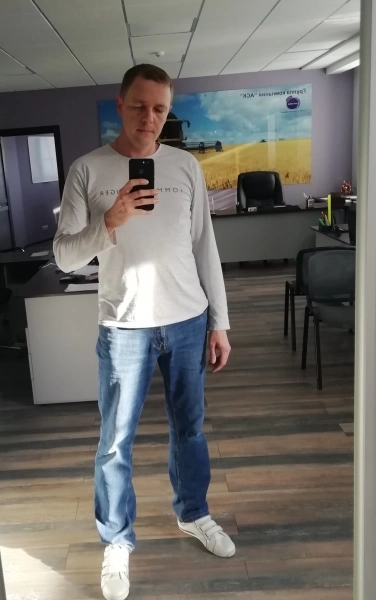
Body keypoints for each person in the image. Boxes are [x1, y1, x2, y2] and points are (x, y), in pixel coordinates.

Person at [54, 64, 234, 600]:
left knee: (190, 429)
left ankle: (193, 513)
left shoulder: (185, 167)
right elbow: (64, 257)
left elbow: (205, 247)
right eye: (139, 106)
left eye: (159, 108)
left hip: (187, 321)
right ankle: (116, 540)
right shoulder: (87, 170)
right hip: (124, 327)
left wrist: (220, 321)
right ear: (120, 104)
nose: (149, 117)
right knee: (114, 442)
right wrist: (109, 222)